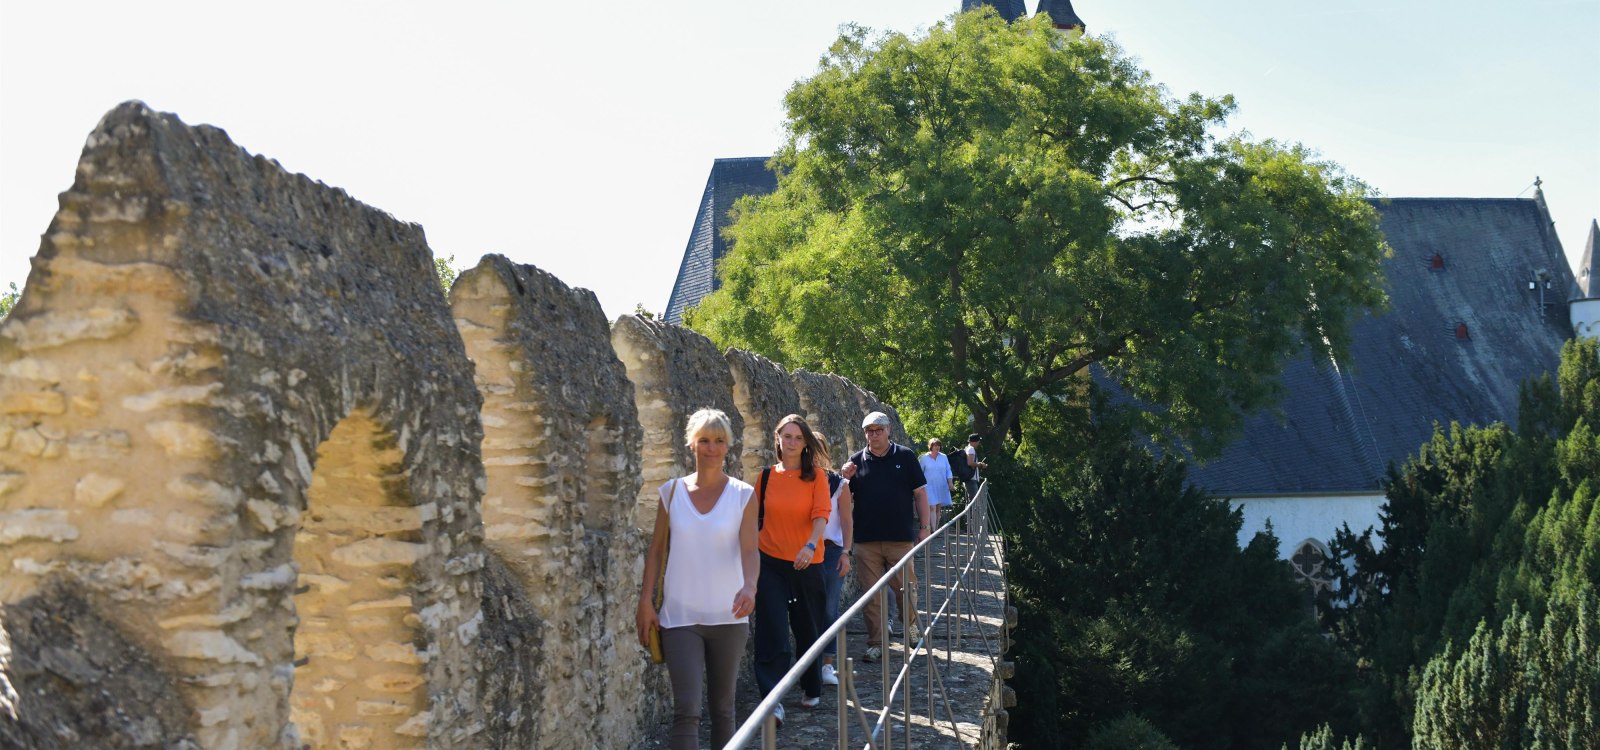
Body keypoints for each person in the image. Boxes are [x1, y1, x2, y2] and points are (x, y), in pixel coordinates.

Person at [636, 408, 758, 750]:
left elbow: (751, 550)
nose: (711, 448)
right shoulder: (671, 493)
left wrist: (750, 585)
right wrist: (646, 602)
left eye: (718, 440)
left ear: (728, 445)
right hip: (679, 617)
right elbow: (656, 551)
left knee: (723, 709)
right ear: (691, 444)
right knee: (686, 711)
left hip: (729, 616)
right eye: (704, 440)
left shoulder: (743, 494)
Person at [753, 414, 833, 725]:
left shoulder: (817, 477)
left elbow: (821, 515)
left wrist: (810, 545)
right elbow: (751, 517)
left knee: (807, 628)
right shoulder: (765, 477)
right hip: (770, 561)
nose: (792, 442)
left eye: (798, 438)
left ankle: (811, 684)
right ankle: (771, 701)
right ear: (777, 439)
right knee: (772, 629)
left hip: (807, 563)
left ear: (806, 443)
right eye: (787, 436)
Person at [841, 411, 930, 663]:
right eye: (869, 431)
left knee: (906, 589)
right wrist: (844, 479)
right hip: (866, 540)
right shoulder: (856, 462)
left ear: (889, 430)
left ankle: (910, 626)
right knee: (871, 595)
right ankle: (877, 642)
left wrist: (925, 527)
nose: (874, 434)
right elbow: (842, 500)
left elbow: (920, 494)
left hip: (899, 538)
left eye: (878, 430)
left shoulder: (905, 456)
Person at [810, 432, 853, 687]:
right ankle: (808, 663)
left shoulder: (839, 484)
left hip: (831, 551)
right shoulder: (799, 481)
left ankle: (827, 663)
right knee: (806, 609)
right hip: (803, 551)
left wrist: (846, 552)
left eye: (817, 449)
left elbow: (846, 521)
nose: (813, 455)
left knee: (828, 608)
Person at [919, 437, 955, 523]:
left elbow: (948, 470)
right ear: (931, 446)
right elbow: (919, 473)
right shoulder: (924, 458)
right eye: (935, 445)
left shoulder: (944, 457)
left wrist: (950, 483)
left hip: (941, 486)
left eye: (939, 445)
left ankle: (936, 528)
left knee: (938, 508)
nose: (937, 447)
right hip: (929, 486)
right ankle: (933, 529)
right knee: (932, 507)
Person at [963, 433, 989, 500]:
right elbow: (970, 463)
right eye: (978, 441)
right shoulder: (971, 449)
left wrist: (979, 464)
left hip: (969, 479)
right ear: (975, 441)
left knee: (971, 500)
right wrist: (980, 465)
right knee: (974, 501)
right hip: (971, 480)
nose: (979, 443)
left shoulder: (967, 448)